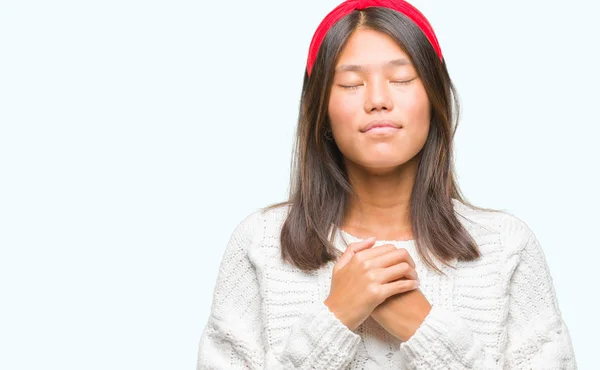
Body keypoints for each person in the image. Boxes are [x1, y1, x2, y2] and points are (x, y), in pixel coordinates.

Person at [196, 0, 577, 368]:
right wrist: (337, 316)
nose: (378, 99)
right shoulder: (261, 243)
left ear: (434, 97)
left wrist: (422, 326)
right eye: (350, 84)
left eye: (401, 79)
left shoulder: (505, 246)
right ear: (321, 110)